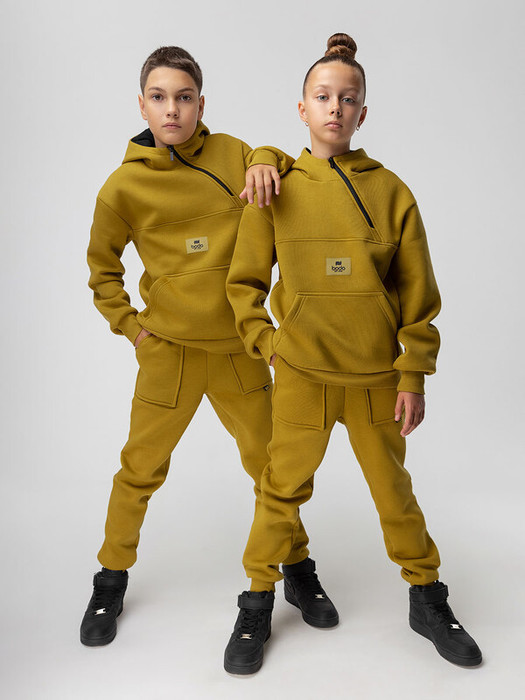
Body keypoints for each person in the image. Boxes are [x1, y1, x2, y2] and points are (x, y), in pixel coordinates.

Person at [224, 33, 482, 674]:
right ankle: (256, 602)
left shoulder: (393, 192)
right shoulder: (272, 186)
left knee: (395, 494)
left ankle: (428, 599)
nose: (334, 107)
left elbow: (418, 295)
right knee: (279, 493)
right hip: (302, 376)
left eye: (347, 98)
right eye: (322, 96)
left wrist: (414, 373)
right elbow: (244, 284)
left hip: (375, 380)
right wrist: (269, 344)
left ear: (362, 113)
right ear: (302, 108)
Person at [81, 45, 323, 647]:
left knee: (274, 467)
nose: (172, 110)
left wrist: (264, 158)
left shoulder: (231, 154)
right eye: (159, 98)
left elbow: (279, 160)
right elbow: (102, 273)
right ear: (142, 105)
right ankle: (110, 579)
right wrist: (133, 328)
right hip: (168, 354)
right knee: (139, 469)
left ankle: (297, 567)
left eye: (183, 98)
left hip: (240, 349)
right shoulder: (122, 187)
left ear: (201, 104)